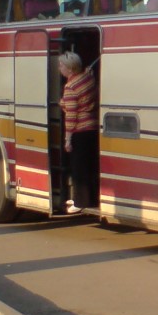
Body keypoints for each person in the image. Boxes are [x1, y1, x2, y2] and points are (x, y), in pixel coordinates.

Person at [58, 51, 98, 213]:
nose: (59, 68)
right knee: (90, 166)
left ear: (69, 68)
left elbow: (71, 116)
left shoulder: (70, 87)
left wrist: (68, 139)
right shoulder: (87, 78)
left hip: (80, 130)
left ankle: (80, 202)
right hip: (92, 127)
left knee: (79, 168)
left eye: (61, 65)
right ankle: (91, 198)